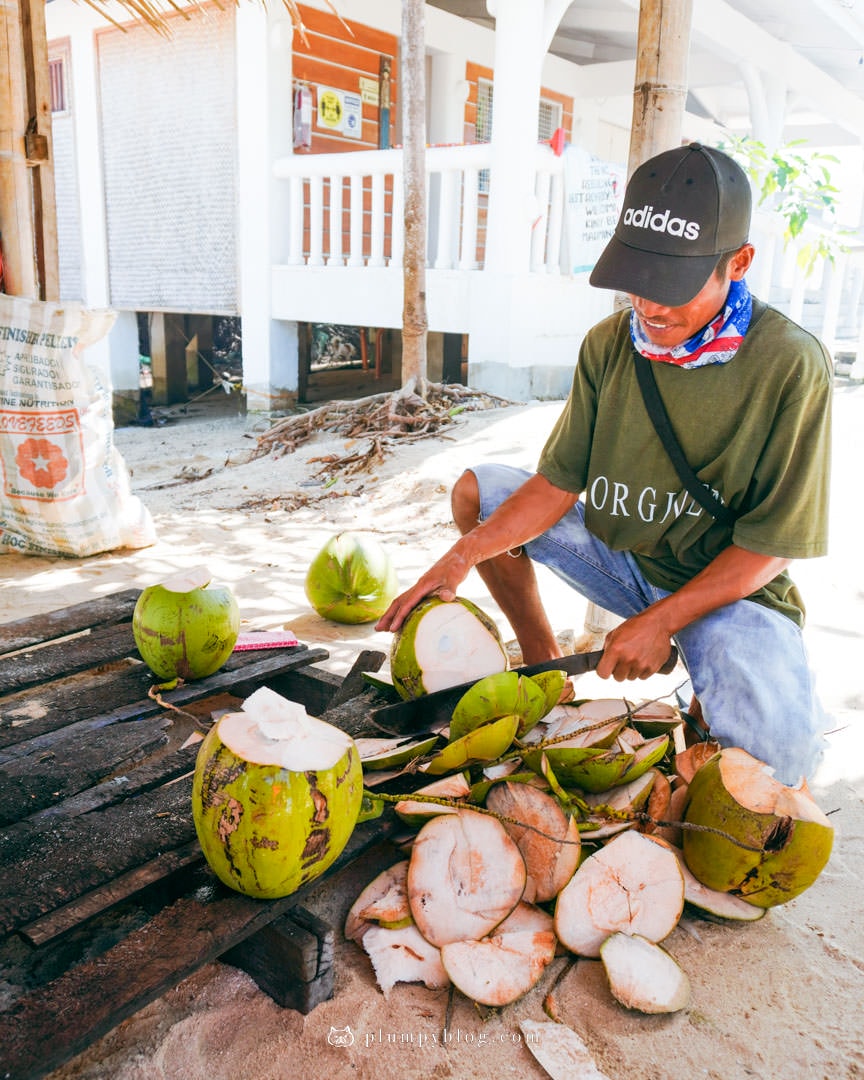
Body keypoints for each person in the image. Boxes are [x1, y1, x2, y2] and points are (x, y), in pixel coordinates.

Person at [376, 142, 832, 786]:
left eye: (671, 288)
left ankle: (721, 693)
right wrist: (461, 557)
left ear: (740, 262)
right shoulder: (610, 345)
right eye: (639, 283)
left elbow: (771, 549)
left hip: (726, 588)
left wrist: (663, 621)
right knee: (481, 495)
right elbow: (558, 484)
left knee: (778, 773)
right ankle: (544, 663)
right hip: (624, 560)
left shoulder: (789, 363)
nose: (650, 307)